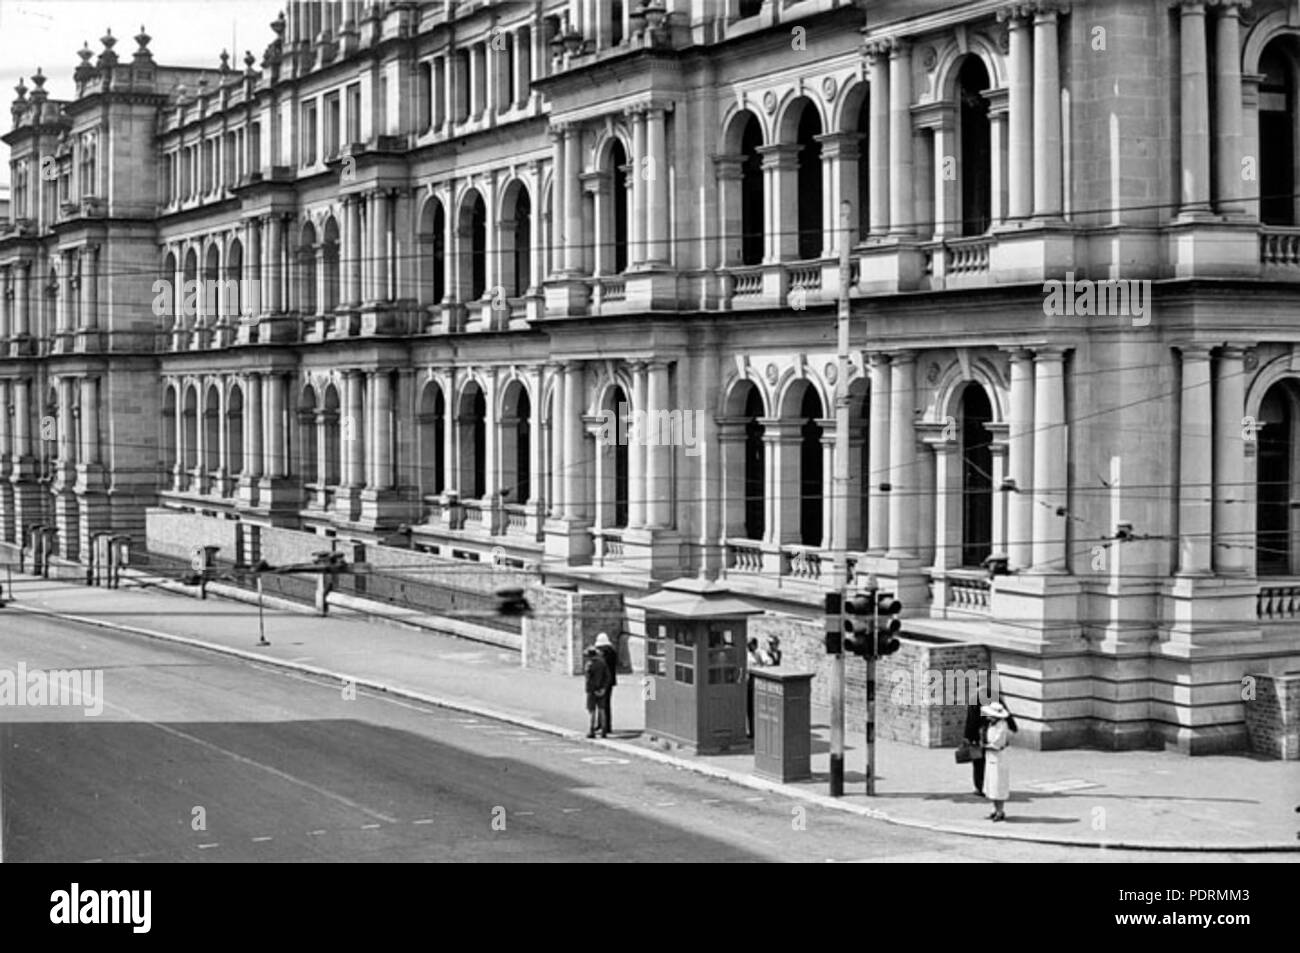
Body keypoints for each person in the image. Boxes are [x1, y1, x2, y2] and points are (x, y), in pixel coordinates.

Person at [981, 701, 1014, 821]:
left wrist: (987, 746)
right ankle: (994, 809)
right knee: (992, 784)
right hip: (991, 757)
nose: (988, 717)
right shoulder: (992, 724)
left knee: (998, 784)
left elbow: (998, 743)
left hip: (999, 757)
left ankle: (1000, 811)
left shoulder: (1002, 726)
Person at [584, 647, 612, 738]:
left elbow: (589, 680)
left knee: (592, 711)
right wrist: (603, 688)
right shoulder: (602, 663)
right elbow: (608, 677)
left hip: (592, 691)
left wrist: (591, 690)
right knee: (602, 710)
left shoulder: (589, 665)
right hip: (602, 690)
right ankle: (604, 731)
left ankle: (591, 730)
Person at [594, 632, 618, 736]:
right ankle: (603, 724)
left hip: (603, 681)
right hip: (610, 681)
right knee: (605, 703)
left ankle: (604, 725)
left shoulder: (604, 654)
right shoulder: (612, 652)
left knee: (602, 704)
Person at [963, 704, 985, 796]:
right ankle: (990, 787)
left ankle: (979, 788)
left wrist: (967, 737)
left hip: (977, 738)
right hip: (991, 736)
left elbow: (971, 721)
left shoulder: (975, 700)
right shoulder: (994, 698)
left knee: (978, 764)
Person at [745, 638, 765, 738]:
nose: (750, 647)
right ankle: (750, 730)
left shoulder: (758, 654)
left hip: (755, 680)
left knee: (754, 708)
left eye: (751, 645)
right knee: (748, 708)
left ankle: (754, 731)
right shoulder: (746, 654)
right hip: (747, 681)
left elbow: (764, 664)